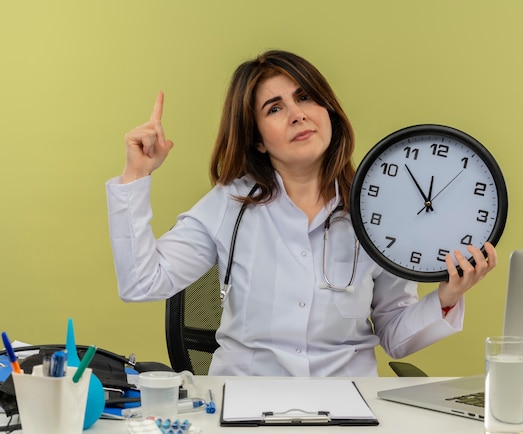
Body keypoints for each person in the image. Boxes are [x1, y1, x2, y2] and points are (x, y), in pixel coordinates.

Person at [106, 50, 497, 377]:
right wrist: (135, 175)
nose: (297, 114)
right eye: (275, 108)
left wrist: (447, 296)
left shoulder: (379, 213)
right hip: (244, 403)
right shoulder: (229, 205)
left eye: (306, 97)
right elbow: (142, 282)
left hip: (349, 404)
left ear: (328, 110)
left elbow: (395, 334)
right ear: (257, 138)